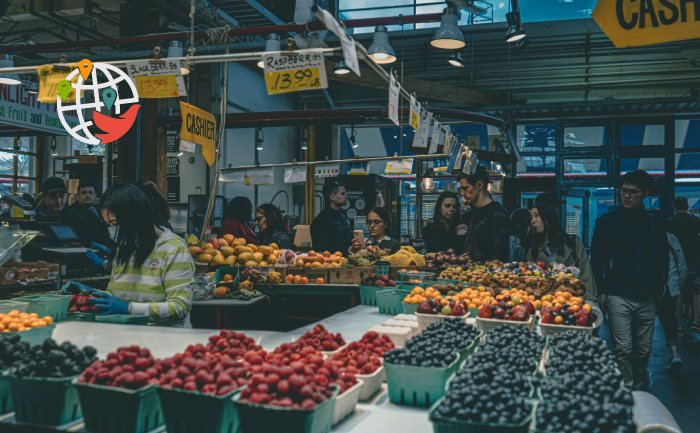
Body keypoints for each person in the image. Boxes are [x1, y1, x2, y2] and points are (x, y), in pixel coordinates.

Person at [62, 183, 194, 327]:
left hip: (164, 339)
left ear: (135, 218)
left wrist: (129, 308)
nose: (112, 230)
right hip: (126, 337)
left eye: (115, 223)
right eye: (108, 225)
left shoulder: (173, 249)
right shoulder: (125, 249)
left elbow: (179, 307)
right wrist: (90, 294)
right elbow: (118, 297)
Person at [591, 170, 669, 389]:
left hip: (647, 294)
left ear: (645, 193)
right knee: (623, 348)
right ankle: (629, 386)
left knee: (643, 349)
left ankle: (639, 378)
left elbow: (663, 254)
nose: (627, 196)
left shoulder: (654, 222)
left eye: (633, 192)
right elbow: (597, 259)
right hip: (618, 293)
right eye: (624, 191)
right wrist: (602, 290)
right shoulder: (607, 222)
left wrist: (660, 282)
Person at [528, 204, 597, 305]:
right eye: (531, 217)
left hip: (574, 301)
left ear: (548, 217)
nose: (532, 221)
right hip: (546, 303)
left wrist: (590, 300)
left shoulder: (573, 242)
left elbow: (586, 273)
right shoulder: (533, 251)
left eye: (536, 215)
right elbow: (530, 281)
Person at [458, 165, 509, 261]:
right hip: (468, 273)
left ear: (480, 185)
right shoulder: (469, 215)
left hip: (487, 274)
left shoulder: (498, 215)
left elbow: (499, 256)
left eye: (465, 188)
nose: (462, 193)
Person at [667, 197, 700, 337]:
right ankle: (696, 321)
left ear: (674, 206)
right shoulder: (696, 221)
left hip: (676, 260)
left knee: (678, 291)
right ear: (687, 206)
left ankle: (678, 324)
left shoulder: (669, 222)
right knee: (697, 290)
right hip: (695, 260)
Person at [311, 180, 352, 254]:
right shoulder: (320, 221)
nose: (346, 196)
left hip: (347, 262)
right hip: (332, 263)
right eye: (342, 194)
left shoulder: (343, 216)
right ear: (332, 197)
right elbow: (320, 250)